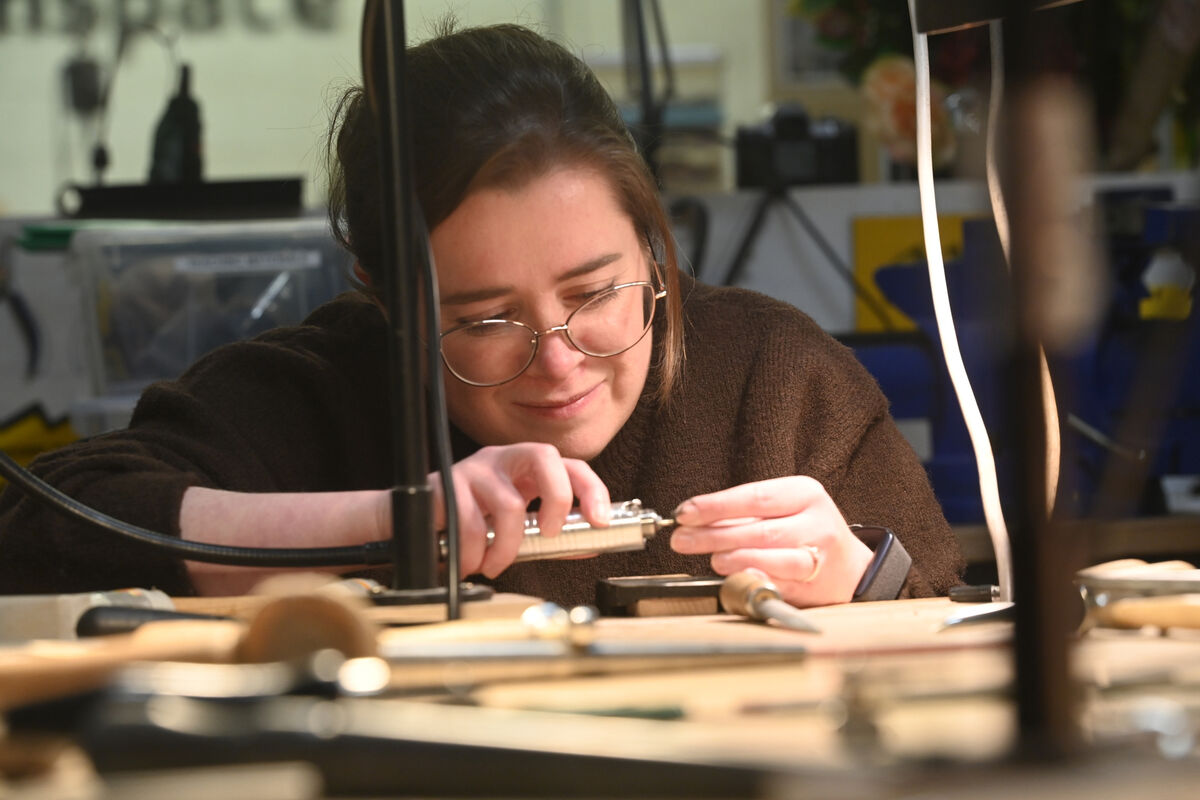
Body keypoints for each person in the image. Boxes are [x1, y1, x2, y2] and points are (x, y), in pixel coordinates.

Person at [0, 22, 964, 606]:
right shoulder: (306, 395)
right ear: (379, 293)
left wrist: (862, 583)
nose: (559, 362)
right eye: (485, 319)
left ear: (651, 239)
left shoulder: (777, 382)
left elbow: (956, 624)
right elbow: (40, 534)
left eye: (594, 294)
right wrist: (397, 524)